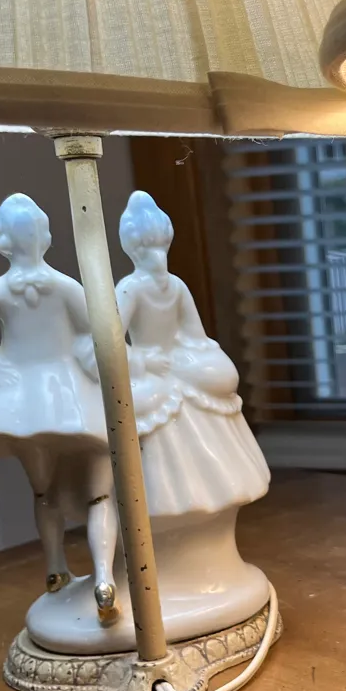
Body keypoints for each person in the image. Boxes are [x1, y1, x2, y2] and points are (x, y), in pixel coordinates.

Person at [0, 194, 120, 622]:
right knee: (99, 493)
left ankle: (55, 567)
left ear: (2, 242)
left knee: (43, 491)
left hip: (24, 405)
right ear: (46, 236)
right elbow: (102, 331)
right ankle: (103, 577)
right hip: (70, 400)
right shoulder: (65, 286)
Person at [115, 191, 269, 519]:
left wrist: (202, 358)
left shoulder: (177, 286)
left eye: (161, 246)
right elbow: (110, 341)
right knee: (142, 401)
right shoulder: (130, 288)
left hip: (179, 360)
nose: (157, 256)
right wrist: (144, 361)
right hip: (150, 368)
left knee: (224, 375)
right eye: (147, 247)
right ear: (133, 249)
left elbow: (195, 334)